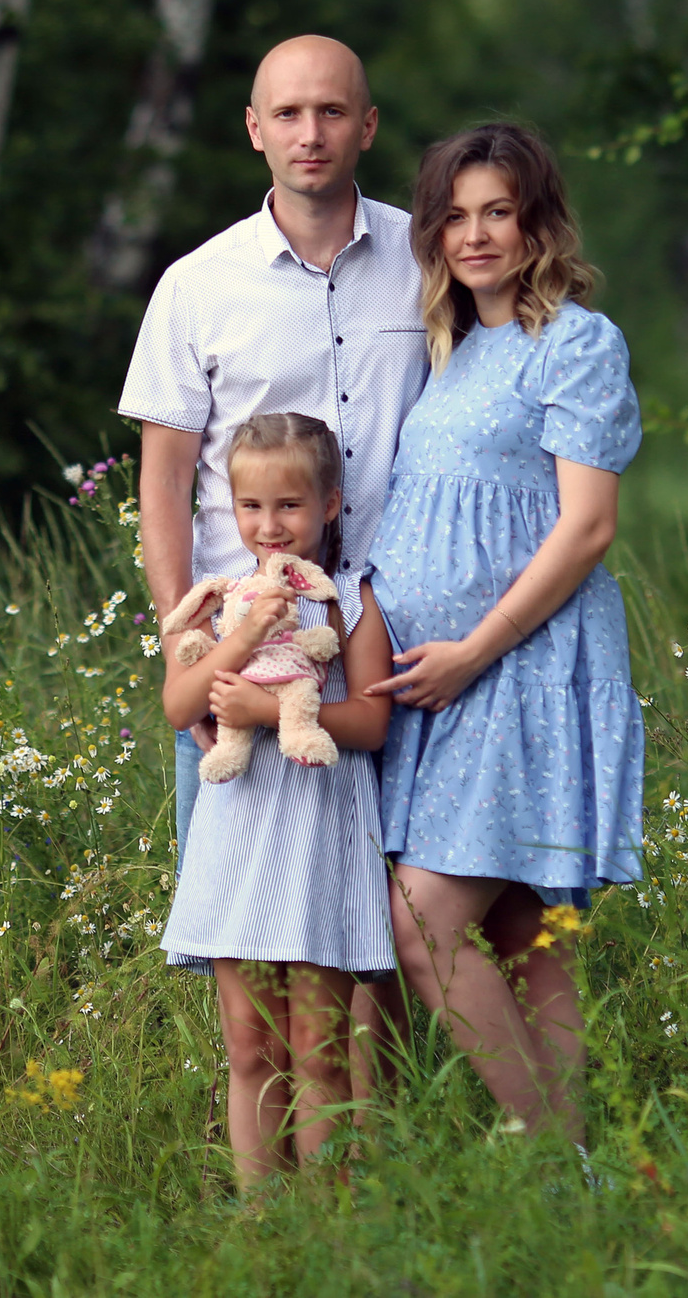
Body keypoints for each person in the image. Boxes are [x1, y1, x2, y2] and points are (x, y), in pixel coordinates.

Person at [117, 33, 422, 1048]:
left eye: (332, 111)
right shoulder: (197, 286)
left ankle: (375, 1167)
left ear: (366, 126)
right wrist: (184, 650)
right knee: (247, 950)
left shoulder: (428, 265)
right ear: (253, 129)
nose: (310, 132)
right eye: (287, 113)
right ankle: (268, 1181)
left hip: (390, 642)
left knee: (387, 929)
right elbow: (162, 483)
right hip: (244, 648)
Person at [362, 122, 644, 1156]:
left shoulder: (576, 339)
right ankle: (579, 1190)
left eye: (497, 211)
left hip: (522, 668)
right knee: (524, 933)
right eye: (455, 214)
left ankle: (553, 1154)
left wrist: (474, 649)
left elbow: (587, 526)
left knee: (424, 919)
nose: (475, 234)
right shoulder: (456, 346)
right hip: (444, 685)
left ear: (536, 222)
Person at [157, 413, 396, 1188]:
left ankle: (327, 1222)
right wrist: (239, 638)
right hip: (241, 831)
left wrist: (274, 714)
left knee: (318, 1047)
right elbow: (179, 702)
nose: (269, 525)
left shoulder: (348, 602)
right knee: (250, 1045)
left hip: (319, 833)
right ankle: (264, 1222)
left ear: (328, 504)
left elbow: (370, 719)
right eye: (251, 507)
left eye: (289, 506)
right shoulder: (221, 599)